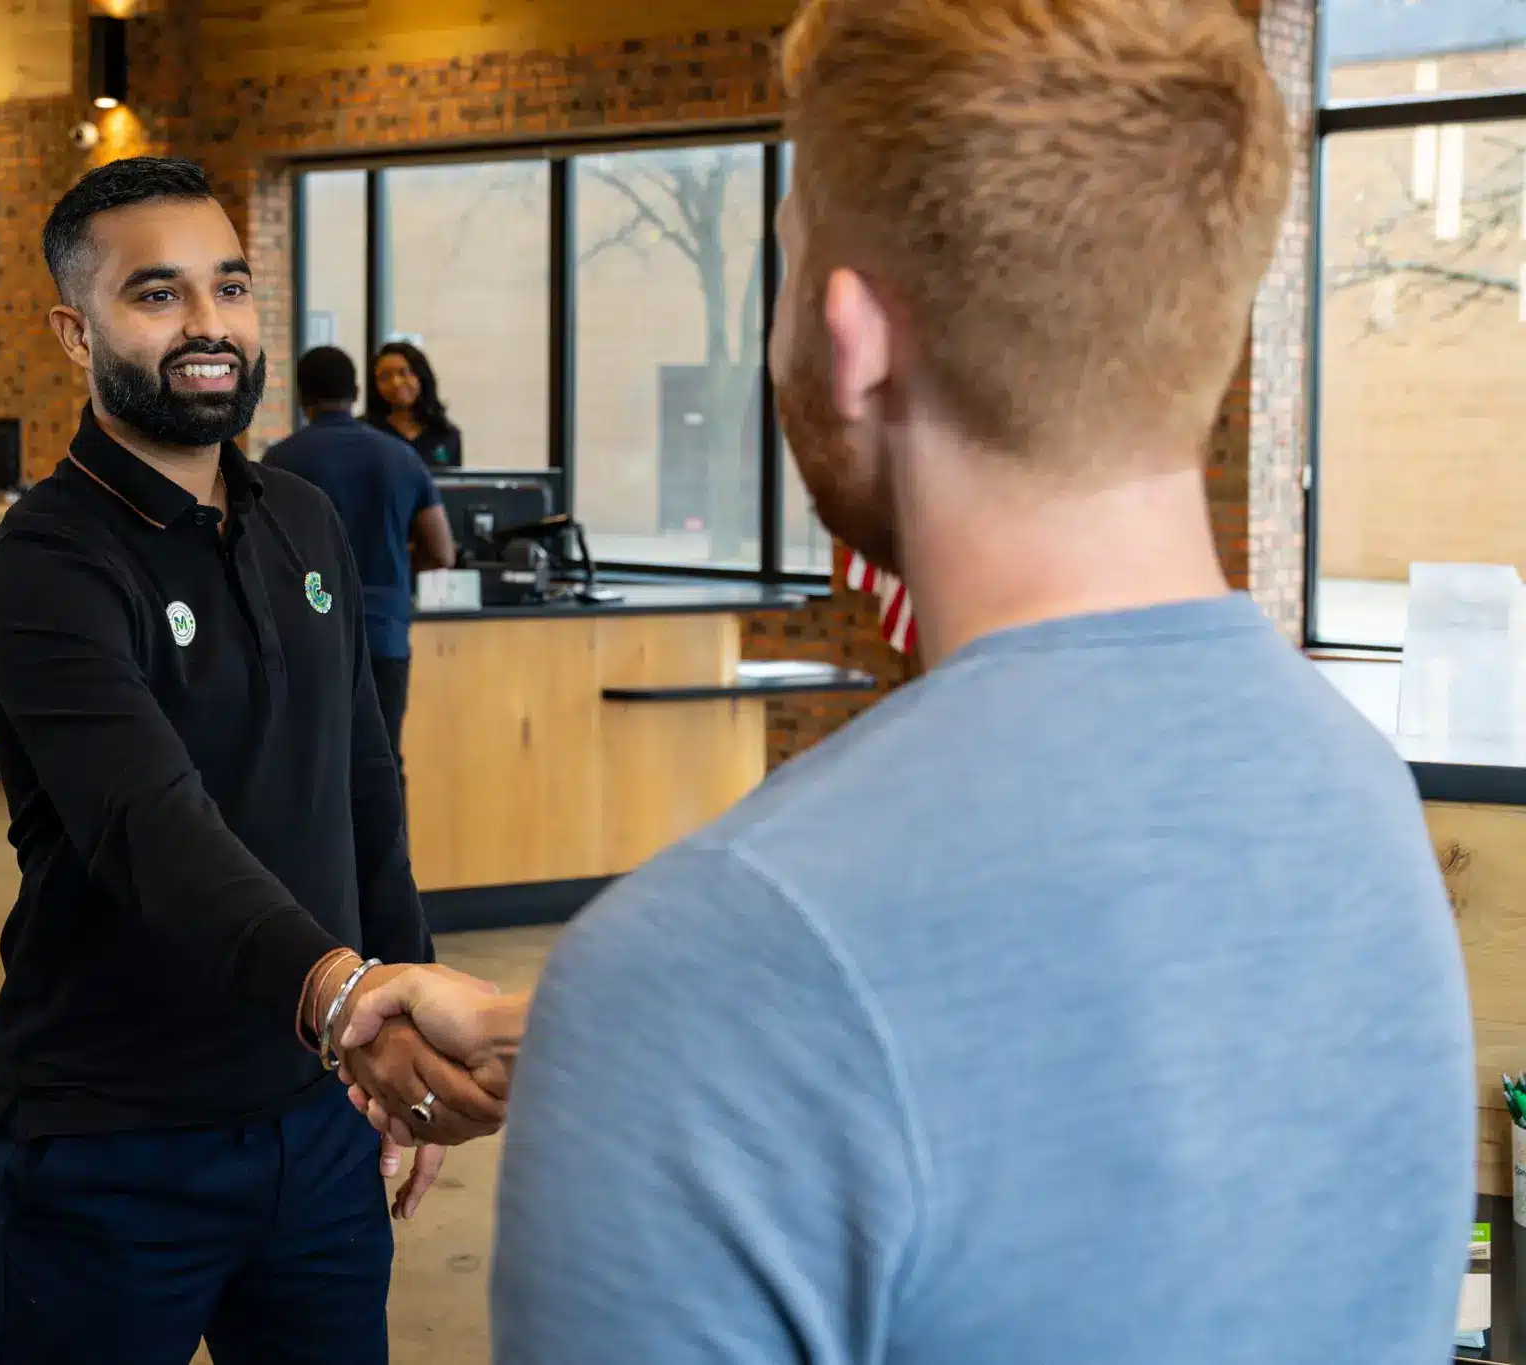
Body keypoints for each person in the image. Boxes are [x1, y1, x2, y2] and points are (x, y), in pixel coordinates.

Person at [339, 3, 1477, 1363]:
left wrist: (648, 1036)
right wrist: (572, 1036)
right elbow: (1088, 1068)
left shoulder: (707, 963)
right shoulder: (1356, 791)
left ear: (851, 334)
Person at [0, 156, 503, 1365]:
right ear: (75, 329)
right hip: (111, 1139)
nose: (208, 326)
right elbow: (152, 826)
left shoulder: (302, 519)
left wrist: (396, 1051)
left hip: (316, 1121)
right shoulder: (47, 570)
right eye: (157, 295)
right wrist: (352, 1003)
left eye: (231, 287)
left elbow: (364, 785)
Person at [264, 346, 456, 772]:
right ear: (355, 391)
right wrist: (399, 563)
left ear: (302, 396)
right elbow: (442, 551)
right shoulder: (401, 457)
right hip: (384, 633)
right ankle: (388, 842)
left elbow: (261, 552)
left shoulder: (281, 461)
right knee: (383, 763)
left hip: (309, 637)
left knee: (314, 767)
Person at [365, 340, 461, 468]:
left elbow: (453, 484)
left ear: (421, 377)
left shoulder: (446, 434)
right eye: (385, 377)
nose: (396, 383)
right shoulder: (364, 431)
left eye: (404, 373)